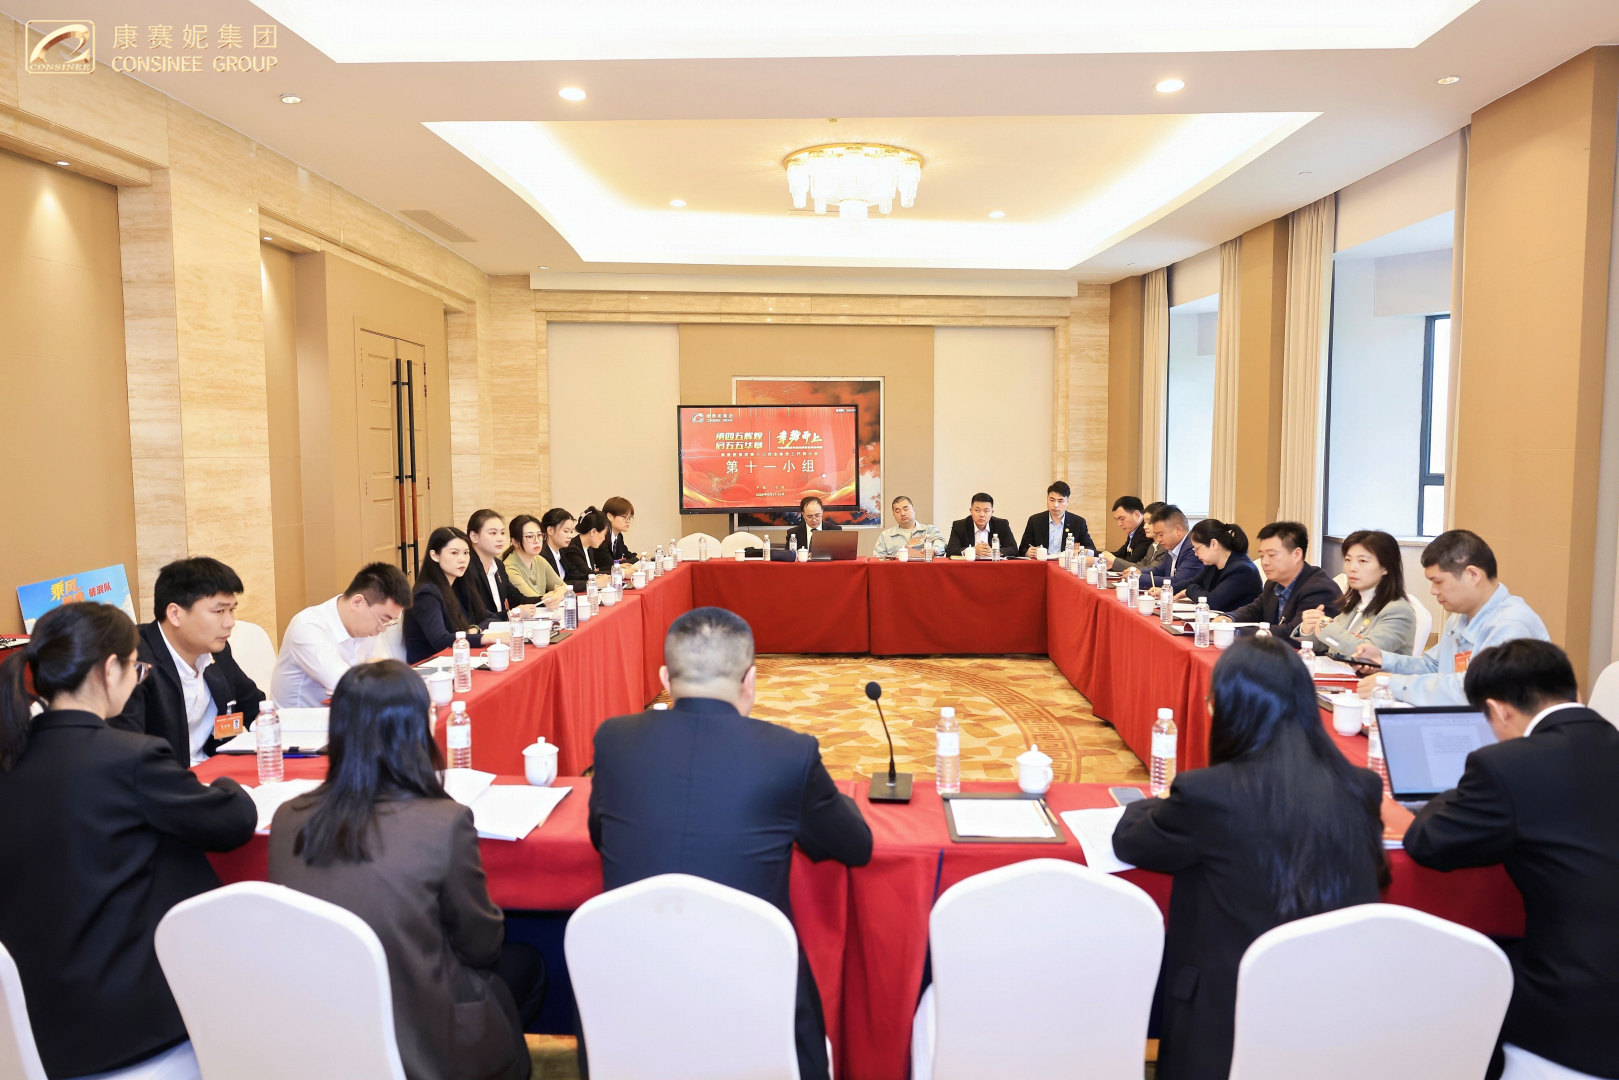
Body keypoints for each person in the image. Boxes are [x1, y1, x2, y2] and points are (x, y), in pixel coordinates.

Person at [588, 607, 872, 1080]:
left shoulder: (614, 741)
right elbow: (856, 846)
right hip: (756, 1010)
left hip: (631, 1014)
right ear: (750, 681)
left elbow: (599, 835)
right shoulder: (789, 754)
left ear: (665, 679)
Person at [0, 603, 257, 1080]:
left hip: (33, 1021)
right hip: (123, 1023)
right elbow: (232, 822)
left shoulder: (13, 757)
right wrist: (227, 783)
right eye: (137, 669)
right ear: (109, 669)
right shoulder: (129, 758)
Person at [1112, 636, 1386, 1080]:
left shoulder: (1209, 793)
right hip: (1329, 1015)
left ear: (1231, 711)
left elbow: (1132, 841)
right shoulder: (1358, 787)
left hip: (1223, 1023)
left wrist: (1155, 801)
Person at [269, 662, 543, 1080]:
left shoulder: (288, 818)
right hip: (422, 1040)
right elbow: (481, 947)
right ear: (417, 729)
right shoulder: (443, 823)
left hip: (324, 1025)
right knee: (528, 964)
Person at [1393, 640, 1619, 1079]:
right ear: (1573, 690)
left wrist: (1449, 791)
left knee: (1440, 965)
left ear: (1497, 711)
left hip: (1581, 1014)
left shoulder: (1506, 765)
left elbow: (1428, 842)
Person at [1352, 530, 1548, 705]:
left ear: (1473, 575)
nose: (1433, 591)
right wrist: (1383, 660)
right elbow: (1433, 666)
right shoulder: (1459, 617)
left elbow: (1476, 690)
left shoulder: (1511, 624)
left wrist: (1394, 685)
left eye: (1438, 582)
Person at [113, 556, 265, 764]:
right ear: (175, 614)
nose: (230, 622)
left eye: (232, 610)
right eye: (219, 611)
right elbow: (129, 751)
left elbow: (254, 706)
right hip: (165, 777)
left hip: (214, 769)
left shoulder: (216, 651)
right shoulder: (135, 661)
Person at [272, 562, 412, 708]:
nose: (382, 629)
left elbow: (384, 675)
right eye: (383, 619)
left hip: (345, 714)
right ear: (357, 602)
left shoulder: (368, 626)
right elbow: (347, 685)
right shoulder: (308, 627)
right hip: (300, 720)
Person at [1293, 530, 1416, 658]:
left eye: (1362, 561)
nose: (1352, 568)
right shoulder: (1357, 604)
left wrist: (1325, 627)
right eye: (1348, 559)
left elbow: (1367, 655)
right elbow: (1328, 643)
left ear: (1386, 567)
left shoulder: (1397, 611)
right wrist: (1307, 629)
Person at [1218, 521, 1340, 641]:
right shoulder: (1273, 583)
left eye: (1271, 555)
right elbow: (1254, 610)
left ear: (1297, 554)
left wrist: (1234, 632)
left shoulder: (1318, 589)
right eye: (1262, 556)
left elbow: (1292, 633)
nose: (1264, 562)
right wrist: (1229, 618)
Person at [404, 527, 500, 664]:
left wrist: (476, 629)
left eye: (466, 553)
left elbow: (490, 617)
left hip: (456, 661)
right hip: (430, 668)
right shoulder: (426, 594)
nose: (462, 559)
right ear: (435, 556)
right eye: (454, 553)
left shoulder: (458, 586)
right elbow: (440, 640)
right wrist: (488, 637)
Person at [1178, 520, 1262, 612]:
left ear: (1214, 544)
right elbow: (1193, 582)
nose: (1195, 554)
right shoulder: (1213, 565)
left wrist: (1189, 590)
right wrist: (1167, 589)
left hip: (1238, 620)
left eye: (1197, 548)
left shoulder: (1242, 570)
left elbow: (1212, 602)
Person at [457, 509, 525, 619]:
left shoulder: (498, 565)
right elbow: (474, 617)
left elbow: (516, 598)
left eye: (502, 533)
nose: (500, 539)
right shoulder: (465, 568)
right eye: (493, 533)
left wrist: (545, 599)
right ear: (474, 537)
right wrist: (510, 614)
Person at [502, 513, 567, 608]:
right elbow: (533, 600)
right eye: (529, 536)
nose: (537, 541)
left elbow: (564, 586)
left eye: (539, 535)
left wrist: (556, 594)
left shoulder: (539, 560)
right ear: (515, 542)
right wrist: (555, 594)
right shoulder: (509, 568)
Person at [1136, 504, 1204, 594]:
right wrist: (1139, 572)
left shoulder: (1193, 549)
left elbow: (1179, 581)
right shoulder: (1172, 545)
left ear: (1178, 530)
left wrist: (1139, 578)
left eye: (1161, 534)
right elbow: (1160, 570)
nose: (1158, 540)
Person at [1018, 480, 1096, 557]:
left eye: (1060, 501)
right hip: (1042, 563)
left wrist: (1080, 551)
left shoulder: (1078, 522)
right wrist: (1027, 552)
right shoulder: (1035, 521)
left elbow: (1091, 549)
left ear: (1067, 502)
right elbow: (1022, 549)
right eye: (1052, 500)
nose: (1055, 505)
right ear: (1047, 499)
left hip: (1066, 563)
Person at [945, 492, 1019, 558]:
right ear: (971, 511)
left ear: (992, 512)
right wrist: (972, 550)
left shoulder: (1002, 525)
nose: (982, 515)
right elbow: (950, 551)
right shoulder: (959, 526)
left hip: (994, 566)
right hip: (969, 567)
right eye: (977, 510)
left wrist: (995, 552)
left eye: (986, 511)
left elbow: (1014, 550)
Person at [872, 494, 946, 559]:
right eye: (897, 511)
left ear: (913, 509)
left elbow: (941, 543)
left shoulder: (929, 530)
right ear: (893, 514)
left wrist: (934, 549)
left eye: (906, 509)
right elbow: (878, 559)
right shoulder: (886, 535)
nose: (902, 514)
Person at [1107, 500, 1168, 570]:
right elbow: (1141, 565)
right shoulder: (1153, 545)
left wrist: (1114, 562)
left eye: (1149, 522)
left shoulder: (1166, 546)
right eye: (1145, 522)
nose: (1145, 527)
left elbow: (1152, 570)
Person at [562, 508, 613, 591]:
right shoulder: (572, 549)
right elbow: (588, 574)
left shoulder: (589, 547)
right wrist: (619, 572)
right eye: (604, 534)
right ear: (593, 532)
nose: (604, 539)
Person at [1110, 495, 1154, 564]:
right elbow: (1120, 555)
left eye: (1122, 519)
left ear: (1137, 515)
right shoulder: (1133, 531)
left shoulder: (1146, 533)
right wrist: (1094, 555)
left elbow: (1132, 562)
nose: (1119, 524)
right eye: (1117, 519)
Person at [538, 507, 576, 583]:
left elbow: (574, 575)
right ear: (550, 530)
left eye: (571, 532)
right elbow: (556, 585)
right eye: (566, 531)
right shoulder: (542, 555)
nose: (570, 536)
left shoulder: (562, 552)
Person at [601, 496, 637, 567]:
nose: (628, 521)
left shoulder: (618, 535)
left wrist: (640, 556)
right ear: (610, 516)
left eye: (630, 518)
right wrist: (637, 559)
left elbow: (626, 554)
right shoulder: (601, 537)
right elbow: (610, 564)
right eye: (624, 517)